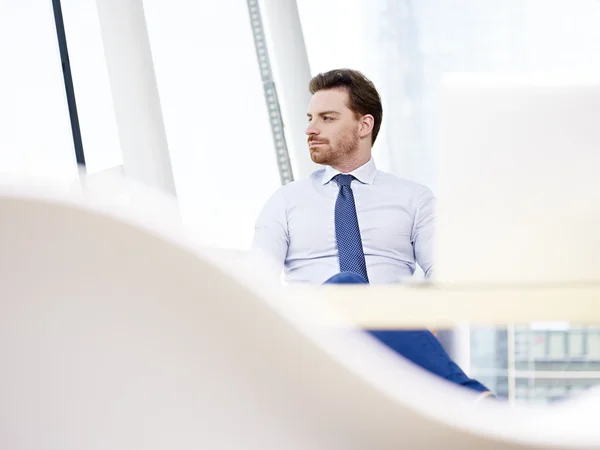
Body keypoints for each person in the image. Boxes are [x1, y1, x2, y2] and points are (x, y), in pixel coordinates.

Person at [250, 68, 494, 398]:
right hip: (314, 340)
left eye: (327, 118)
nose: (310, 129)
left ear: (364, 125)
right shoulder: (285, 202)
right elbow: (258, 282)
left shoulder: (413, 198)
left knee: (362, 295)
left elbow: (445, 275)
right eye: (310, 118)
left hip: (392, 343)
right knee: (346, 285)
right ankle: (471, 399)